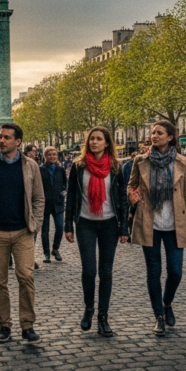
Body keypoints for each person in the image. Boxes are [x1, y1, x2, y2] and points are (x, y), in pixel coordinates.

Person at [0, 123, 45, 343]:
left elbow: (39, 198)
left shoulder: (31, 165)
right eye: (0, 137)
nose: (1, 140)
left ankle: (27, 325)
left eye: (6, 137)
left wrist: (36, 225)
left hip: (23, 231)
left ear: (18, 141)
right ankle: (4, 325)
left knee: (26, 277)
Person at [127, 120, 186, 337]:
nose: (154, 136)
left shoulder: (182, 162)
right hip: (150, 223)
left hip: (175, 224)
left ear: (170, 137)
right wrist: (132, 195)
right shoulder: (141, 160)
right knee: (153, 272)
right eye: (153, 132)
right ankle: (158, 316)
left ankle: (167, 303)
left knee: (175, 272)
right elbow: (131, 185)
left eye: (159, 133)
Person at [63, 127, 130, 337]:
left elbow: (122, 199)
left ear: (107, 143)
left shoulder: (116, 167)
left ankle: (103, 317)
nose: (94, 142)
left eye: (99, 139)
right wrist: (67, 225)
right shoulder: (78, 166)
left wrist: (124, 228)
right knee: (89, 271)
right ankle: (88, 308)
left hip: (109, 223)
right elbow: (71, 198)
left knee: (106, 272)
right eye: (91, 138)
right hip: (86, 224)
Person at [39, 146, 67, 263]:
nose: (52, 156)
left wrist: (63, 193)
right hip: (44, 204)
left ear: (57, 156)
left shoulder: (61, 169)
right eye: (49, 154)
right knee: (44, 230)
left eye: (54, 154)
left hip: (58, 203)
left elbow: (66, 184)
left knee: (60, 227)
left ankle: (55, 249)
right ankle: (46, 254)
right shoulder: (40, 169)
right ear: (45, 156)